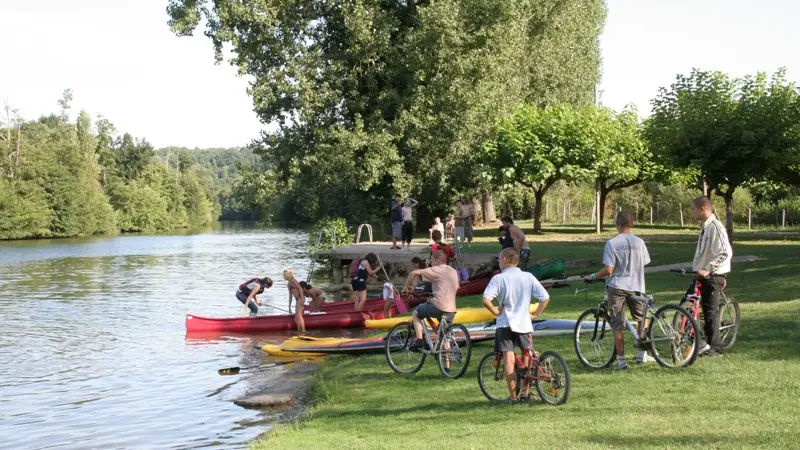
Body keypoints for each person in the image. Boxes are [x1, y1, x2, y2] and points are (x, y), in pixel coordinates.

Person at [584, 211, 652, 370]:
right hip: (636, 285)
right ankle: (642, 353)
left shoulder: (612, 243)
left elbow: (609, 269)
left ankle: (621, 361)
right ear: (632, 224)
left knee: (617, 324)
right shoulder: (640, 242)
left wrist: (593, 276)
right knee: (642, 317)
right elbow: (644, 262)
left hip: (617, 286)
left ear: (617, 224)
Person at [482, 247, 550, 403]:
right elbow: (545, 298)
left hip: (505, 323)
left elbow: (486, 299)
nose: (498, 262)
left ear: (505, 259)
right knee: (527, 355)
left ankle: (513, 397)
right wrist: (536, 314)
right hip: (524, 322)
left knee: (509, 359)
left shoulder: (499, 279)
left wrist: (495, 311)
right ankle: (525, 393)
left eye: (499, 259)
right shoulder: (528, 276)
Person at [691, 196, 733, 358]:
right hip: (701, 274)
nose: (692, 212)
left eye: (693, 209)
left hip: (711, 275)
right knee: (687, 305)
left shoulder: (715, 227)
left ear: (702, 208)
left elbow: (725, 253)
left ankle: (715, 347)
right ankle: (700, 343)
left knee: (710, 311)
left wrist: (709, 269)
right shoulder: (705, 227)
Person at [401, 250, 459, 350]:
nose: (431, 264)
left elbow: (413, 273)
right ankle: (447, 365)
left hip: (439, 305)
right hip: (451, 309)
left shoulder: (437, 269)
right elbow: (457, 287)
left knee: (416, 313)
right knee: (445, 338)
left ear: (437, 261)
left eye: (432, 261)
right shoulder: (453, 271)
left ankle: (419, 340)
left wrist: (406, 289)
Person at [283, 269, 306, 333]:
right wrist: (289, 305)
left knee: (299, 316)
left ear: (289, 274)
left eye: (285, 274)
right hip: (297, 300)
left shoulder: (293, 280)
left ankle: (303, 331)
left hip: (300, 298)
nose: (284, 276)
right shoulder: (288, 284)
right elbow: (290, 295)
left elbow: (300, 288)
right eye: (283, 275)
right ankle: (299, 331)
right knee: (296, 318)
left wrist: (301, 298)